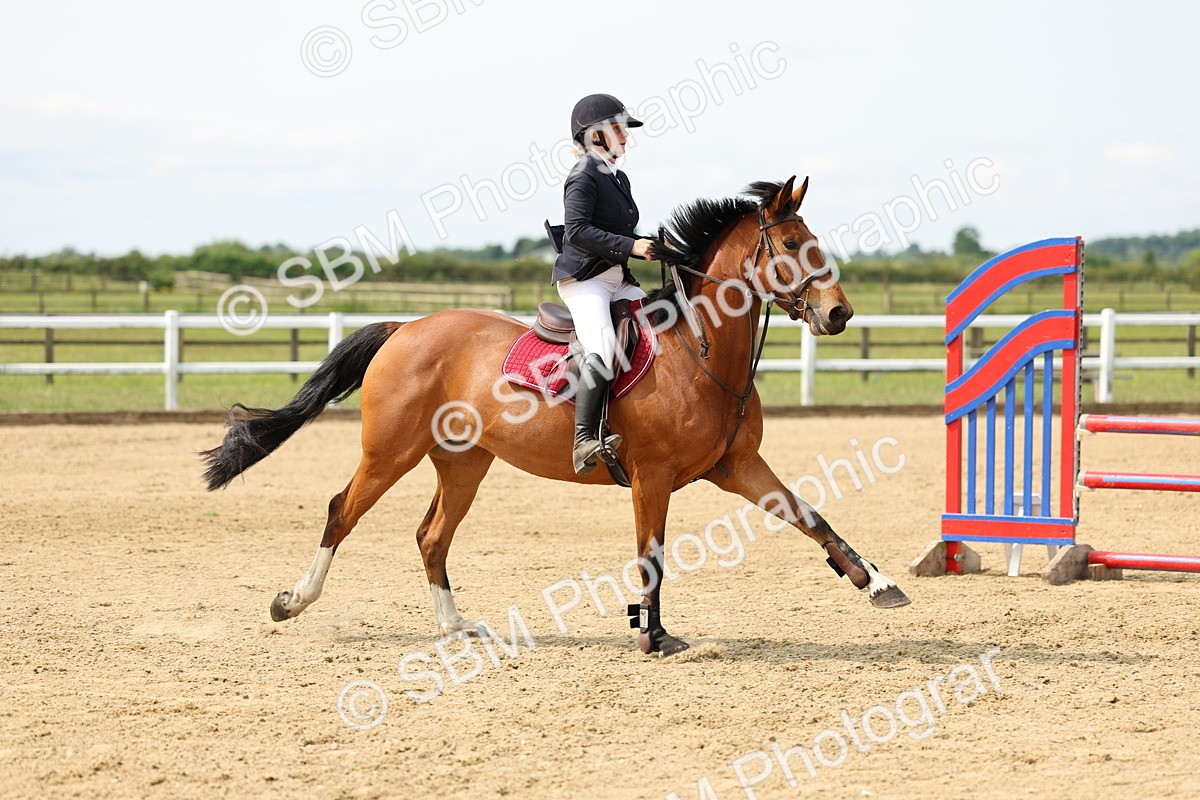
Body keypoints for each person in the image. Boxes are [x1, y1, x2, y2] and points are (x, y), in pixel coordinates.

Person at [552, 93, 658, 476]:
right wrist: (632, 246)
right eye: (616, 129)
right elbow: (579, 231)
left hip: (617, 279)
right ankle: (583, 440)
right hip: (586, 283)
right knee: (602, 347)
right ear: (594, 135)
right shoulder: (582, 176)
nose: (624, 136)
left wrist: (659, 247)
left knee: (662, 325)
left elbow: (616, 230)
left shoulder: (617, 176)